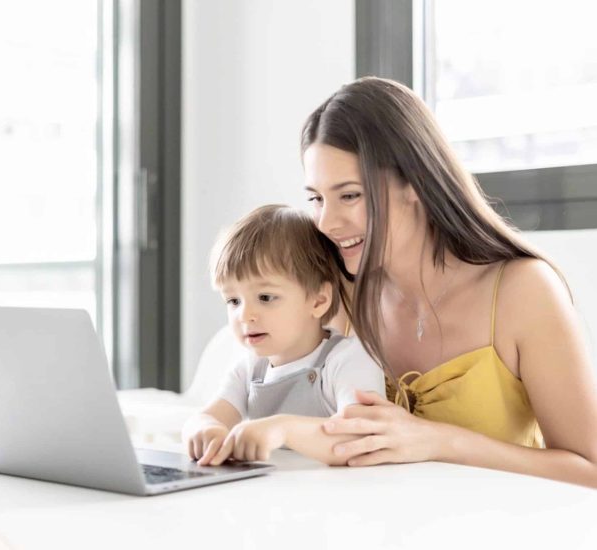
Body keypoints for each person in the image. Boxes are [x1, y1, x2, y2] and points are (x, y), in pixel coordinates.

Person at [297, 76, 597, 487]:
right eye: (316, 199)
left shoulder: (523, 292)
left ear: (414, 184)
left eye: (350, 195)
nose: (327, 223)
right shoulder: (344, 294)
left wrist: (438, 440)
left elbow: (590, 470)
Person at [182, 205, 385, 466]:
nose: (245, 315)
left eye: (265, 297)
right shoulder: (250, 367)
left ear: (318, 300)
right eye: (233, 301)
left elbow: (361, 438)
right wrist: (205, 430)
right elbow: (204, 417)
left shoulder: (348, 358)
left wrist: (283, 430)